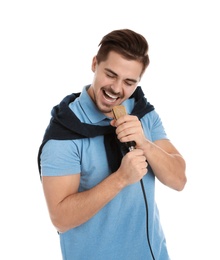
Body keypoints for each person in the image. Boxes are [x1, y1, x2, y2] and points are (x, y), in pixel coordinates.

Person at [38, 28, 186, 260]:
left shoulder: (142, 114)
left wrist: (145, 144)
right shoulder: (64, 132)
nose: (117, 89)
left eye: (129, 81)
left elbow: (179, 180)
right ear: (94, 64)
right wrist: (120, 179)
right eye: (110, 74)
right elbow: (61, 219)